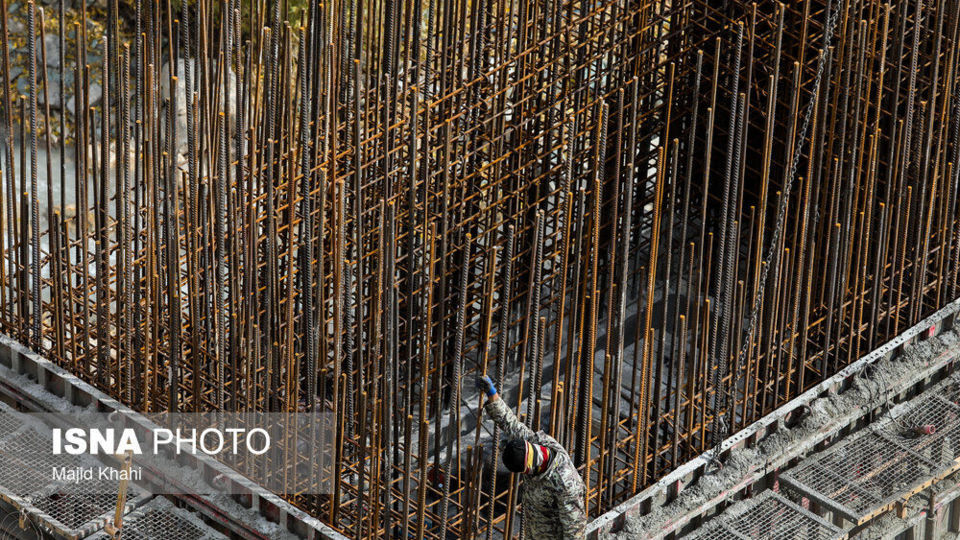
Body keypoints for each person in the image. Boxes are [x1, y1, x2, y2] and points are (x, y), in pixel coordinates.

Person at [476, 374, 587, 538]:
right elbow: (510, 424)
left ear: (528, 468)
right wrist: (492, 394)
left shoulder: (565, 484)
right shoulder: (535, 444)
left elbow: (575, 532)